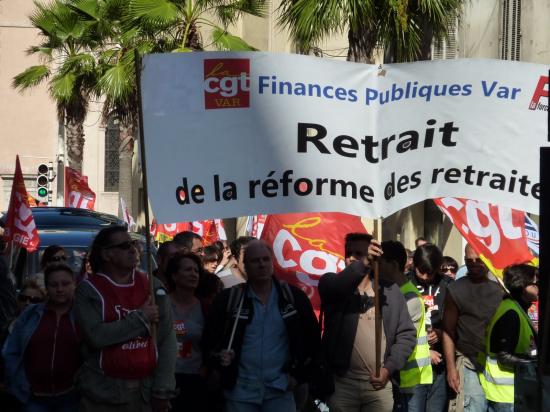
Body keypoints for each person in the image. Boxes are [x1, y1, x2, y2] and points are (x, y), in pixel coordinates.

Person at [202, 240, 320, 412]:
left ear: (272, 262)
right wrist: (219, 358)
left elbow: (313, 340)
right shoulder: (229, 299)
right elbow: (209, 340)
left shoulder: (293, 297)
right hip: (240, 393)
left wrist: (299, 376)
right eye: (255, 261)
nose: (261, 265)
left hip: (280, 391)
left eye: (265, 259)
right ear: (244, 266)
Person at [74, 225, 177, 412]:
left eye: (133, 243)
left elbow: (167, 339)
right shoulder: (88, 290)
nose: (133, 249)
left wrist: (163, 389)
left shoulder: (152, 286)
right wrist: (141, 318)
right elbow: (96, 336)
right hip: (103, 394)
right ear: (106, 254)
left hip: (144, 393)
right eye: (124, 245)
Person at [318, 233, 416, 412]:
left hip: (378, 385)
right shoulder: (331, 282)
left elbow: (407, 335)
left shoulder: (390, 292)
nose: (350, 258)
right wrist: (362, 262)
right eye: (349, 253)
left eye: (358, 253)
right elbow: (336, 288)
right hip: (342, 384)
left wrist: (389, 368)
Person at [3, 263, 80, 412]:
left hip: (71, 398)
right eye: (53, 285)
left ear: (74, 284)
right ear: (47, 288)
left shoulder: (83, 315)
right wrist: (20, 383)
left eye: (65, 284)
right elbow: (11, 351)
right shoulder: (30, 314)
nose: (60, 289)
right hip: (34, 398)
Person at [369, 240, 432, 412]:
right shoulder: (388, 291)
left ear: (394, 264)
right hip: (397, 375)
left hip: (411, 378)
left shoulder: (409, 297)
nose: (375, 268)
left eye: (380, 263)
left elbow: (397, 337)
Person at [442, 244, 503, 412]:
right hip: (469, 363)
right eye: (469, 261)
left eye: (479, 260)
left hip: (498, 366)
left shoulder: (501, 288)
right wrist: (451, 368)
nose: (474, 264)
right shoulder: (455, 289)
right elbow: (448, 331)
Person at [478, 264, 538, 411]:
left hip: (513, 392)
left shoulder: (515, 307)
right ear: (523, 287)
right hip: (507, 395)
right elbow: (503, 357)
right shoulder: (511, 313)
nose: (539, 287)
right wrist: (533, 363)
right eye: (535, 283)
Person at [410, 243, 452, 412]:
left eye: (431, 272)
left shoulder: (447, 285)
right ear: (414, 264)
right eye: (422, 271)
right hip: (414, 366)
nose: (426, 277)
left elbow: (453, 321)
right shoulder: (405, 283)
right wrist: (425, 349)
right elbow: (398, 326)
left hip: (439, 365)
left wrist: (441, 333)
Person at [165, 253, 207, 411]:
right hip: (165, 377)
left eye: (196, 271)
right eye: (188, 270)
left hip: (194, 378)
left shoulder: (206, 308)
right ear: (175, 276)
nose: (193, 274)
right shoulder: (161, 305)